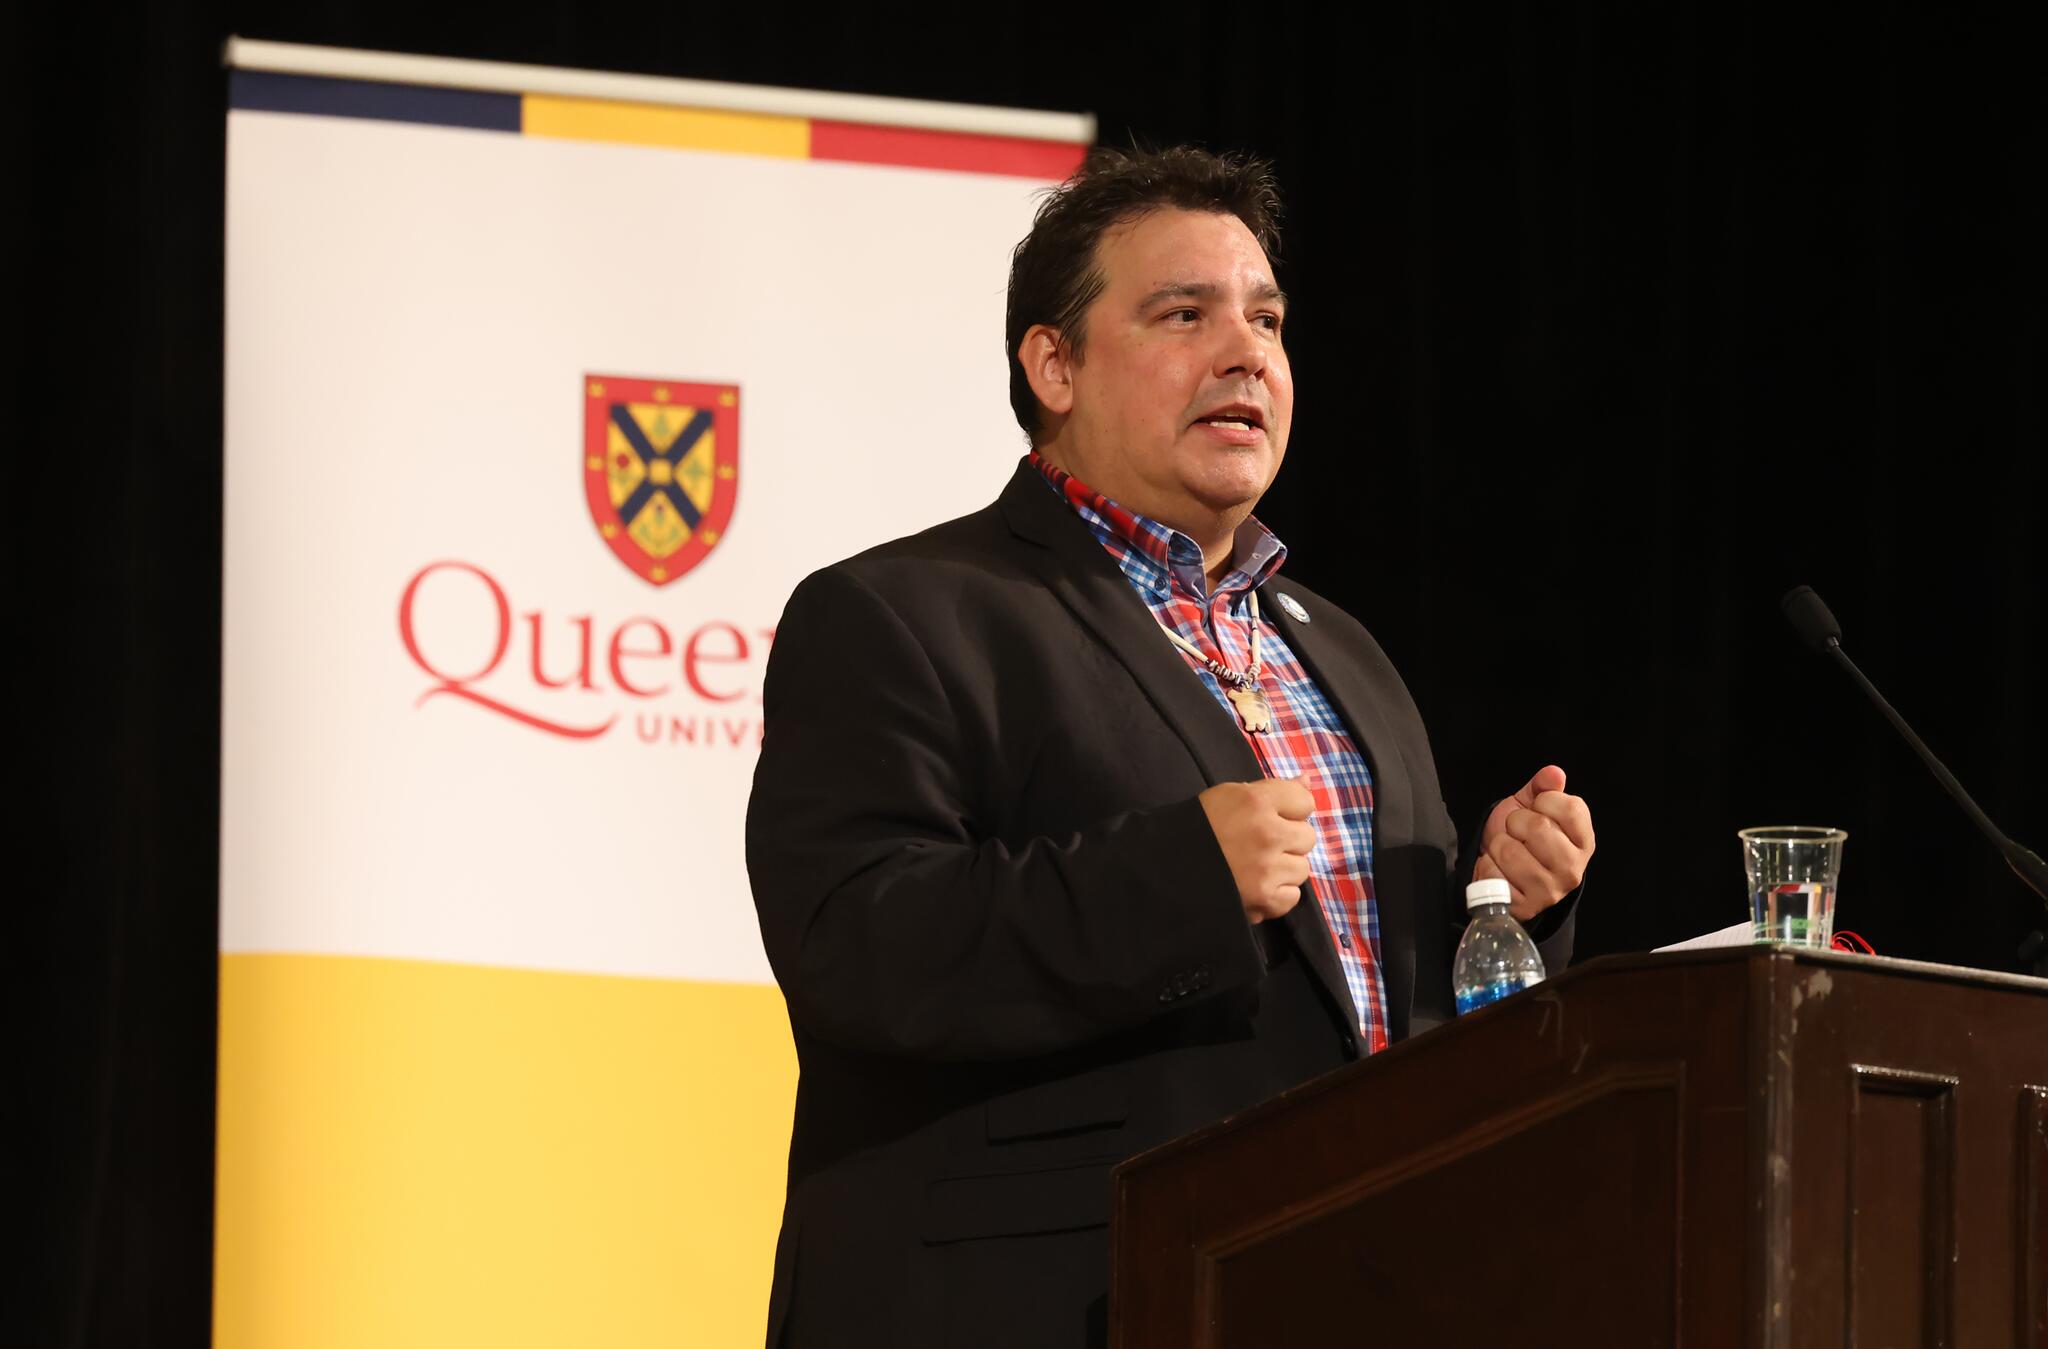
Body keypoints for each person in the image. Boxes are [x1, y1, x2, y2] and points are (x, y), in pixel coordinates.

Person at [745, 145, 1595, 1349]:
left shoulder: (1342, 652)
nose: (1245, 352)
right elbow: (855, 947)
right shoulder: (902, 614)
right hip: (1047, 1305)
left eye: (1266, 319)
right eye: (1183, 314)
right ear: (1053, 364)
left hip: (1335, 1291)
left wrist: (1506, 910)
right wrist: (1185, 878)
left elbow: (1373, 1019)